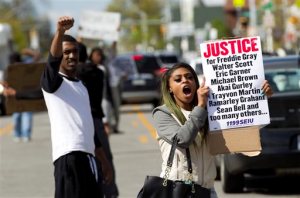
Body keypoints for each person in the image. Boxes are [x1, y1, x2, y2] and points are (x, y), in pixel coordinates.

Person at [152, 62, 273, 198]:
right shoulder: (162, 113)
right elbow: (182, 139)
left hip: (206, 191)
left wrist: (261, 99)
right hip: (177, 191)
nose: (185, 80)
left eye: (189, 77)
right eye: (178, 79)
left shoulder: (207, 112)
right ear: (170, 88)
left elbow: (241, 129)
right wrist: (201, 105)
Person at [40, 16, 110, 198]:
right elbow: (52, 60)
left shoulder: (81, 85)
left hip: (89, 157)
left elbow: (88, 125)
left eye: (75, 52)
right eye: (66, 52)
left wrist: (103, 159)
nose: (72, 56)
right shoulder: (53, 83)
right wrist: (60, 32)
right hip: (68, 157)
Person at [77, 43, 119, 198]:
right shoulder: (98, 72)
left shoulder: (73, 75)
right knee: (105, 157)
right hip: (97, 119)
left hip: (81, 121)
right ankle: (111, 192)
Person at [7, 49, 40, 142]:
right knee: (17, 115)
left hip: (25, 94)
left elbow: (36, 57)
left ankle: (25, 134)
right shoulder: (11, 68)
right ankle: (18, 134)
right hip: (17, 95)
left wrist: (29, 52)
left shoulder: (25, 65)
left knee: (26, 114)